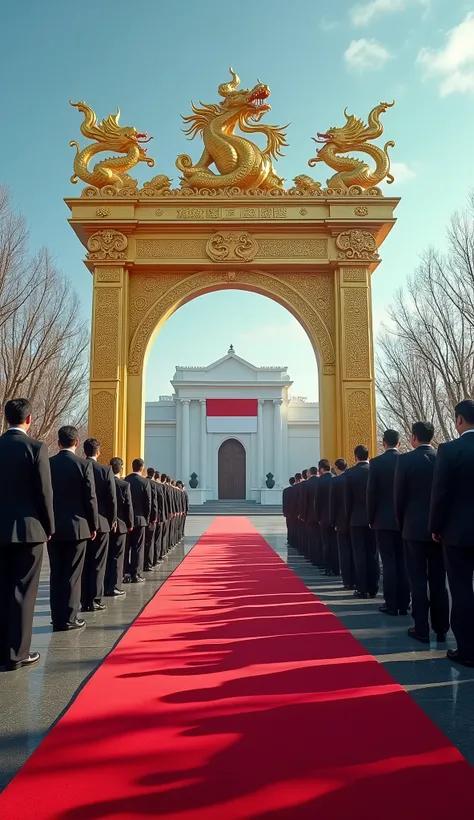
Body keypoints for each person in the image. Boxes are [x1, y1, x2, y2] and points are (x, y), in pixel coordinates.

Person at [0, 398, 54, 671]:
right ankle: (17, 653)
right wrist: (49, 527)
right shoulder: (35, 448)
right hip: (28, 531)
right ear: (29, 419)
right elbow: (44, 493)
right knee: (23, 592)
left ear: (6, 417)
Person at [395, 421, 448, 644]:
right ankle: (442, 628)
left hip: (413, 529)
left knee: (417, 580)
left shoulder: (405, 460)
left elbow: (399, 497)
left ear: (413, 437)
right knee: (439, 580)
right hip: (440, 531)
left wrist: (402, 525)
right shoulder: (442, 457)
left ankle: (421, 628)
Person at [430, 399, 474, 668]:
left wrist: (435, 527)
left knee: (460, 591)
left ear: (459, 420)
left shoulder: (450, 450)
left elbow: (441, 494)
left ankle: (467, 650)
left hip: (457, 534)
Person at [49, 426, 98, 632]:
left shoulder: (48, 464)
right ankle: (69, 618)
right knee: (72, 574)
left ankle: (57, 617)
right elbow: (90, 498)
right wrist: (93, 525)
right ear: (77, 443)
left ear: (58, 443)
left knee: (56, 573)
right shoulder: (83, 465)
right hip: (78, 527)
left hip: (53, 528)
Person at [367, 429, 409, 616]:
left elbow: (371, 494)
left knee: (389, 563)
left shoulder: (376, 463)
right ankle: (404, 603)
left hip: (382, 521)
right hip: (405, 521)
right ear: (399, 443)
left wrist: (371, 518)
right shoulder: (407, 460)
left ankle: (391, 603)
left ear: (383, 443)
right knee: (404, 562)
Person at [81, 438, 117, 612]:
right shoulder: (105, 470)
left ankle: (82, 598)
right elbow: (111, 499)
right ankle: (94, 599)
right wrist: (111, 520)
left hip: (81, 523)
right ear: (99, 452)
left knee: (83, 563)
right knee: (98, 563)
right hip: (102, 524)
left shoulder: (78, 467)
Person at [344, 445, 379, 599]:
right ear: (368, 455)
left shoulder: (350, 473)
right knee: (373, 554)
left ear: (355, 456)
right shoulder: (375, 470)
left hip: (356, 519)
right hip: (375, 519)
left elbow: (347, 500)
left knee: (359, 554)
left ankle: (362, 588)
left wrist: (347, 518)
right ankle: (374, 587)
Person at [105, 457, 134, 597]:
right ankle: (115, 586)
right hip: (121, 526)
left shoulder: (103, 483)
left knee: (105, 556)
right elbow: (128, 506)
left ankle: (103, 585)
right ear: (121, 469)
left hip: (105, 525)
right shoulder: (124, 485)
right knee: (117, 556)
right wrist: (130, 524)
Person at [330, 458, 355, 589]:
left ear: (336, 467)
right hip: (355, 520)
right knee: (356, 551)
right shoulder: (352, 477)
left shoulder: (336, 481)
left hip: (341, 521)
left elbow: (333, 504)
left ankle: (348, 580)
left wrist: (333, 521)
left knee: (344, 551)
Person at [125, 458, 151, 583]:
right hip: (140, 520)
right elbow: (148, 502)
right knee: (138, 548)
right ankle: (136, 574)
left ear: (132, 466)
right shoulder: (144, 482)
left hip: (126, 520)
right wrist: (147, 518)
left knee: (126, 547)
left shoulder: (126, 480)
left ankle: (126, 571)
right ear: (142, 468)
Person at [317, 459, 339, 576]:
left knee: (326, 543)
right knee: (335, 543)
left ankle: (328, 568)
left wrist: (318, 516)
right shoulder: (335, 479)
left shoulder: (319, 482)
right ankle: (336, 568)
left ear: (320, 469)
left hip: (324, 517)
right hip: (335, 516)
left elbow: (317, 502)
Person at [299, 467, 320, 564]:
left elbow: (304, 501)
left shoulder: (305, 484)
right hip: (321, 515)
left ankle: (313, 557)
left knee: (311, 537)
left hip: (309, 515)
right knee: (320, 539)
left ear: (309, 473)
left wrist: (302, 515)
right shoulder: (322, 482)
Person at [144, 467, 158, 571]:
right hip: (149, 518)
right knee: (149, 541)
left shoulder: (127, 481)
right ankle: (148, 563)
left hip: (134, 519)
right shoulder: (154, 485)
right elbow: (152, 502)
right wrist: (154, 517)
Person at [282, 477, 296, 545]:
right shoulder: (298, 489)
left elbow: (284, 502)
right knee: (295, 527)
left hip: (289, 512)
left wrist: (284, 512)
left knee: (289, 526)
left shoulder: (286, 490)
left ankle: (290, 539)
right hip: (296, 512)